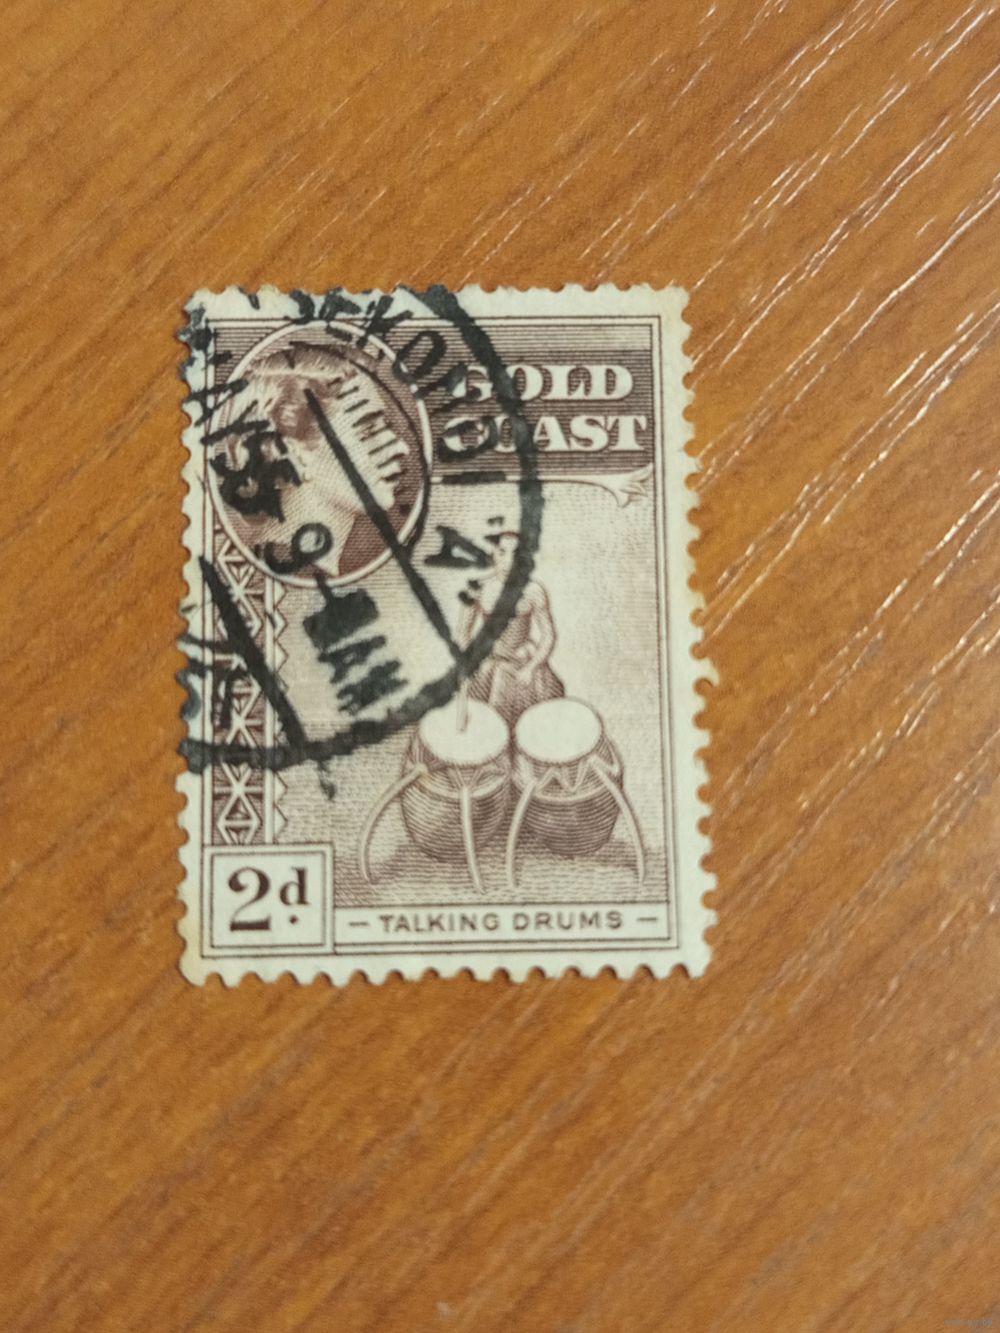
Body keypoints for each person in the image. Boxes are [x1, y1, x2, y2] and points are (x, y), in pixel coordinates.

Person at [460, 531, 564, 724]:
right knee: (486, 721)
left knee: (533, 721)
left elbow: (549, 635)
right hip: (488, 663)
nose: (508, 562)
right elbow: (463, 633)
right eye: (502, 552)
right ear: (493, 553)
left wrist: (531, 668)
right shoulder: (477, 589)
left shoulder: (534, 591)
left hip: (522, 661)